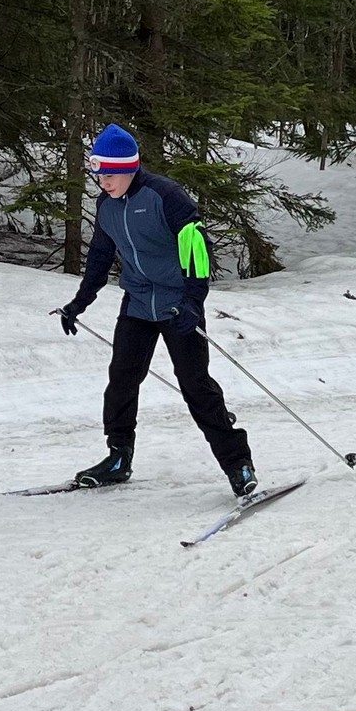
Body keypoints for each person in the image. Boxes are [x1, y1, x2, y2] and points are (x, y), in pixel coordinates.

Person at [55, 124, 258, 497]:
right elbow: (100, 255)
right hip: (137, 303)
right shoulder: (106, 205)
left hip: (177, 304)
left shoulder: (165, 196)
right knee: (122, 380)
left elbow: (197, 252)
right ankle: (118, 458)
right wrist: (79, 302)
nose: (104, 182)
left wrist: (193, 303)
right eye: (100, 175)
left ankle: (237, 464)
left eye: (111, 175)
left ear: (130, 168)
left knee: (195, 385)